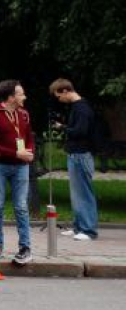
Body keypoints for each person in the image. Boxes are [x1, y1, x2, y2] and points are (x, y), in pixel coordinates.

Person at [0, 80, 36, 265]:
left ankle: (25, 247)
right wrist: (15, 153)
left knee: (21, 206)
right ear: (11, 97)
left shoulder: (24, 114)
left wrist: (29, 151)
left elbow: (29, 137)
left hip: (21, 166)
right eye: (21, 94)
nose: (24, 97)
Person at [52, 79, 101, 241]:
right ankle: (79, 227)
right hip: (76, 154)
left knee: (84, 193)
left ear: (66, 91)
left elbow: (80, 131)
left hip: (81, 154)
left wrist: (62, 127)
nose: (59, 100)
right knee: (77, 194)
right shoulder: (77, 107)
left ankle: (88, 230)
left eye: (59, 96)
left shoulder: (82, 109)